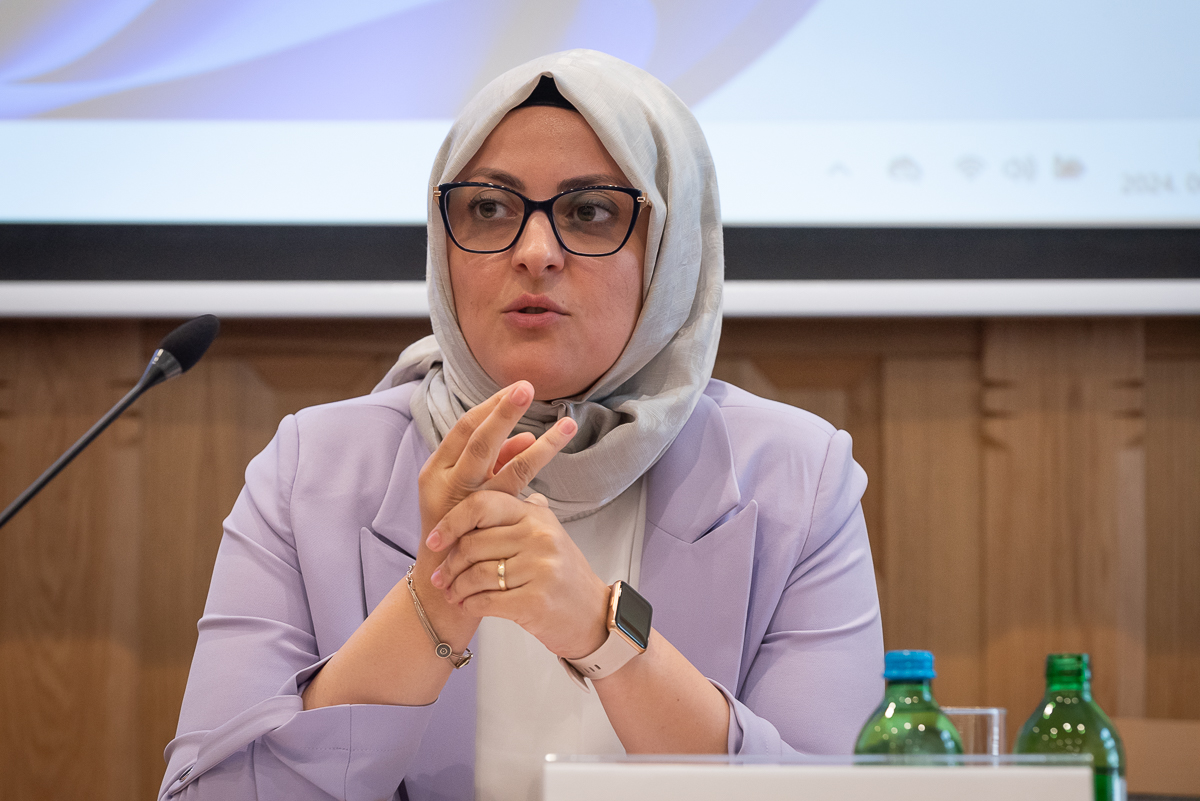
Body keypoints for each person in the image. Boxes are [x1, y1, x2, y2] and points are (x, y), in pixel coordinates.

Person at [160, 50, 884, 801]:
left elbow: (830, 793)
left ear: (669, 249)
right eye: (489, 209)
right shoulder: (311, 469)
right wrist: (434, 597)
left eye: (590, 211)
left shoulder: (798, 476)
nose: (535, 253)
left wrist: (602, 631)